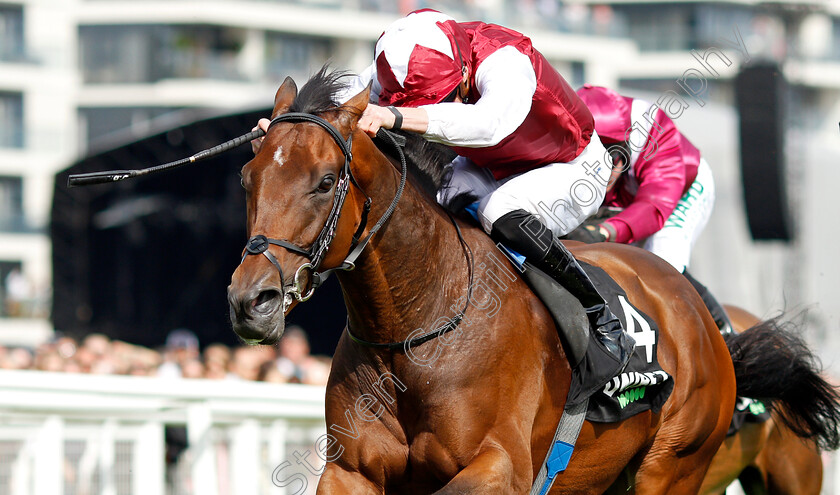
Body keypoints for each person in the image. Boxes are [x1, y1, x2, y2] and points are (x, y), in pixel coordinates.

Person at [252, 10, 635, 376]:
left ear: (464, 70)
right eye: (416, 103)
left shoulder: (506, 61)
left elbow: (488, 126)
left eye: (438, 98)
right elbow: (328, 123)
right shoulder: (389, 71)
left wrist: (396, 116)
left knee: (499, 210)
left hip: (571, 167)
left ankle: (599, 316)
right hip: (493, 166)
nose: (430, 110)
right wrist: (284, 137)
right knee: (439, 201)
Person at [572, 84, 731, 333]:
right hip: (630, 191)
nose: (599, 177)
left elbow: (653, 208)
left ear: (623, 150)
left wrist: (603, 232)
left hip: (682, 189)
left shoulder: (655, 131)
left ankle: (724, 334)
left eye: (607, 160)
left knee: (661, 261)